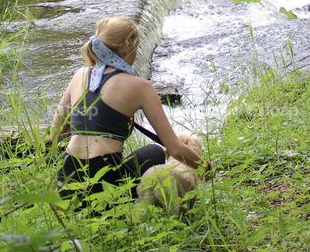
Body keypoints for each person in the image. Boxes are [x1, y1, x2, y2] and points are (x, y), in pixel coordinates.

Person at [49, 16, 202, 201]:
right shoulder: (140, 86)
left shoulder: (79, 75)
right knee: (154, 151)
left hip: (66, 182)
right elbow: (175, 149)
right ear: (128, 47)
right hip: (104, 184)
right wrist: (205, 168)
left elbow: (55, 134)